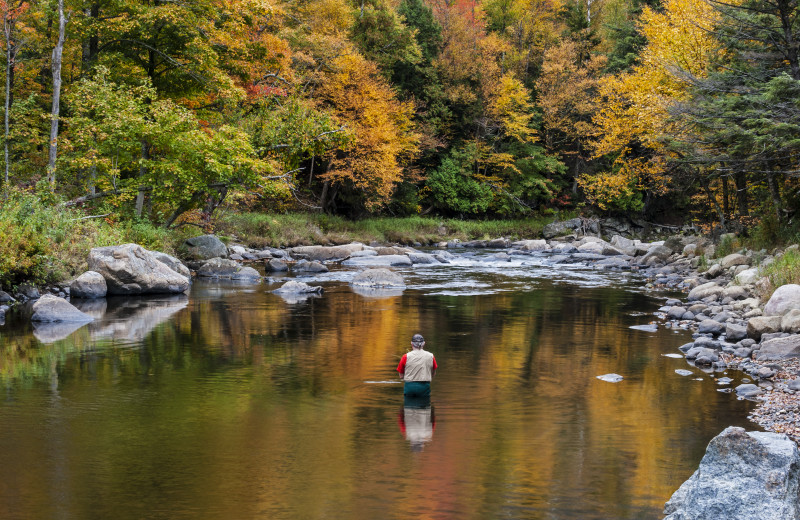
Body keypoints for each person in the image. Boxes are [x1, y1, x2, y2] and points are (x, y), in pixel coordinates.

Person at [396, 334, 437, 399]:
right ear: (424, 344)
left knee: (408, 407)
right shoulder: (431, 356)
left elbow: (401, 376)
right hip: (424, 388)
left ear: (411, 344)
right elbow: (434, 374)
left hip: (409, 388)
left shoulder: (405, 357)